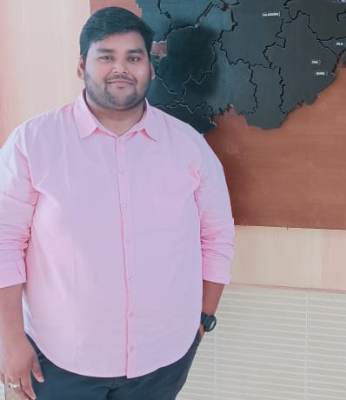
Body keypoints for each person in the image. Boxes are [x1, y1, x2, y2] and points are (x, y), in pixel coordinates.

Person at [0, 7, 234, 400]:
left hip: (163, 359)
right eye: (106, 56)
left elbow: (217, 236)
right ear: (82, 66)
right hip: (57, 360)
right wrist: (9, 341)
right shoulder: (32, 143)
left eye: (134, 57)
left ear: (150, 69)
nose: (121, 68)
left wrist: (203, 318)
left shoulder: (189, 146)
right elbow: (4, 242)